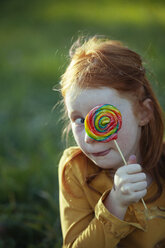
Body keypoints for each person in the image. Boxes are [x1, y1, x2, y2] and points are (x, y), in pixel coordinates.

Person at [57, 36, 165, 248]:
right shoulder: (76, 169)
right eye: (79, 120)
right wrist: (115, 204)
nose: (89, 137)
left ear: (143, 113)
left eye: (103, 117)